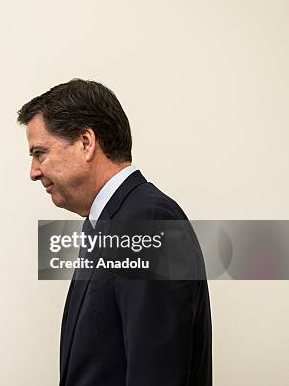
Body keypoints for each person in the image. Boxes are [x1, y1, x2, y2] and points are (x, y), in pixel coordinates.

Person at [17, 79, 212, 386]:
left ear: (86, 142)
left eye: (40, 153)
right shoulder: (106, 224)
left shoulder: (146, 222)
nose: (34, 171)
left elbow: (157, 375)